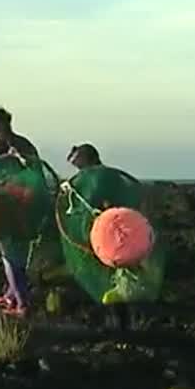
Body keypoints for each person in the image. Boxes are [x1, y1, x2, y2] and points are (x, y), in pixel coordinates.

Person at [66, 142, 137, 332]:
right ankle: (119, 325)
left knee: (110, 282)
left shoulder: (98, 179)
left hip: (108, 237)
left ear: (87, 158)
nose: (73, 159)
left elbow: (100, 205)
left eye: (77, 156)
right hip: (111, 236)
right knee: (114, 280)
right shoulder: (100, 177)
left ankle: (119, 327)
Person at [0, 107, 41, 316]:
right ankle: (11, 294)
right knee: (17, 252)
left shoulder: (2, 144)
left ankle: (21, 303)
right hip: (29, 206)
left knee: (9, 255)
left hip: (11, 206)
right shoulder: (22, 142)